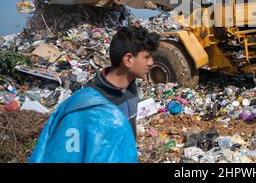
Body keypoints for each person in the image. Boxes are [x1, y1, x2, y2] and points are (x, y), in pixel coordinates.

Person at [29, 26, 160, 163]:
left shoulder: (130, 88)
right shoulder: (86, 107)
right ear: (128, 60)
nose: (151, 63)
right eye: (146, 57)